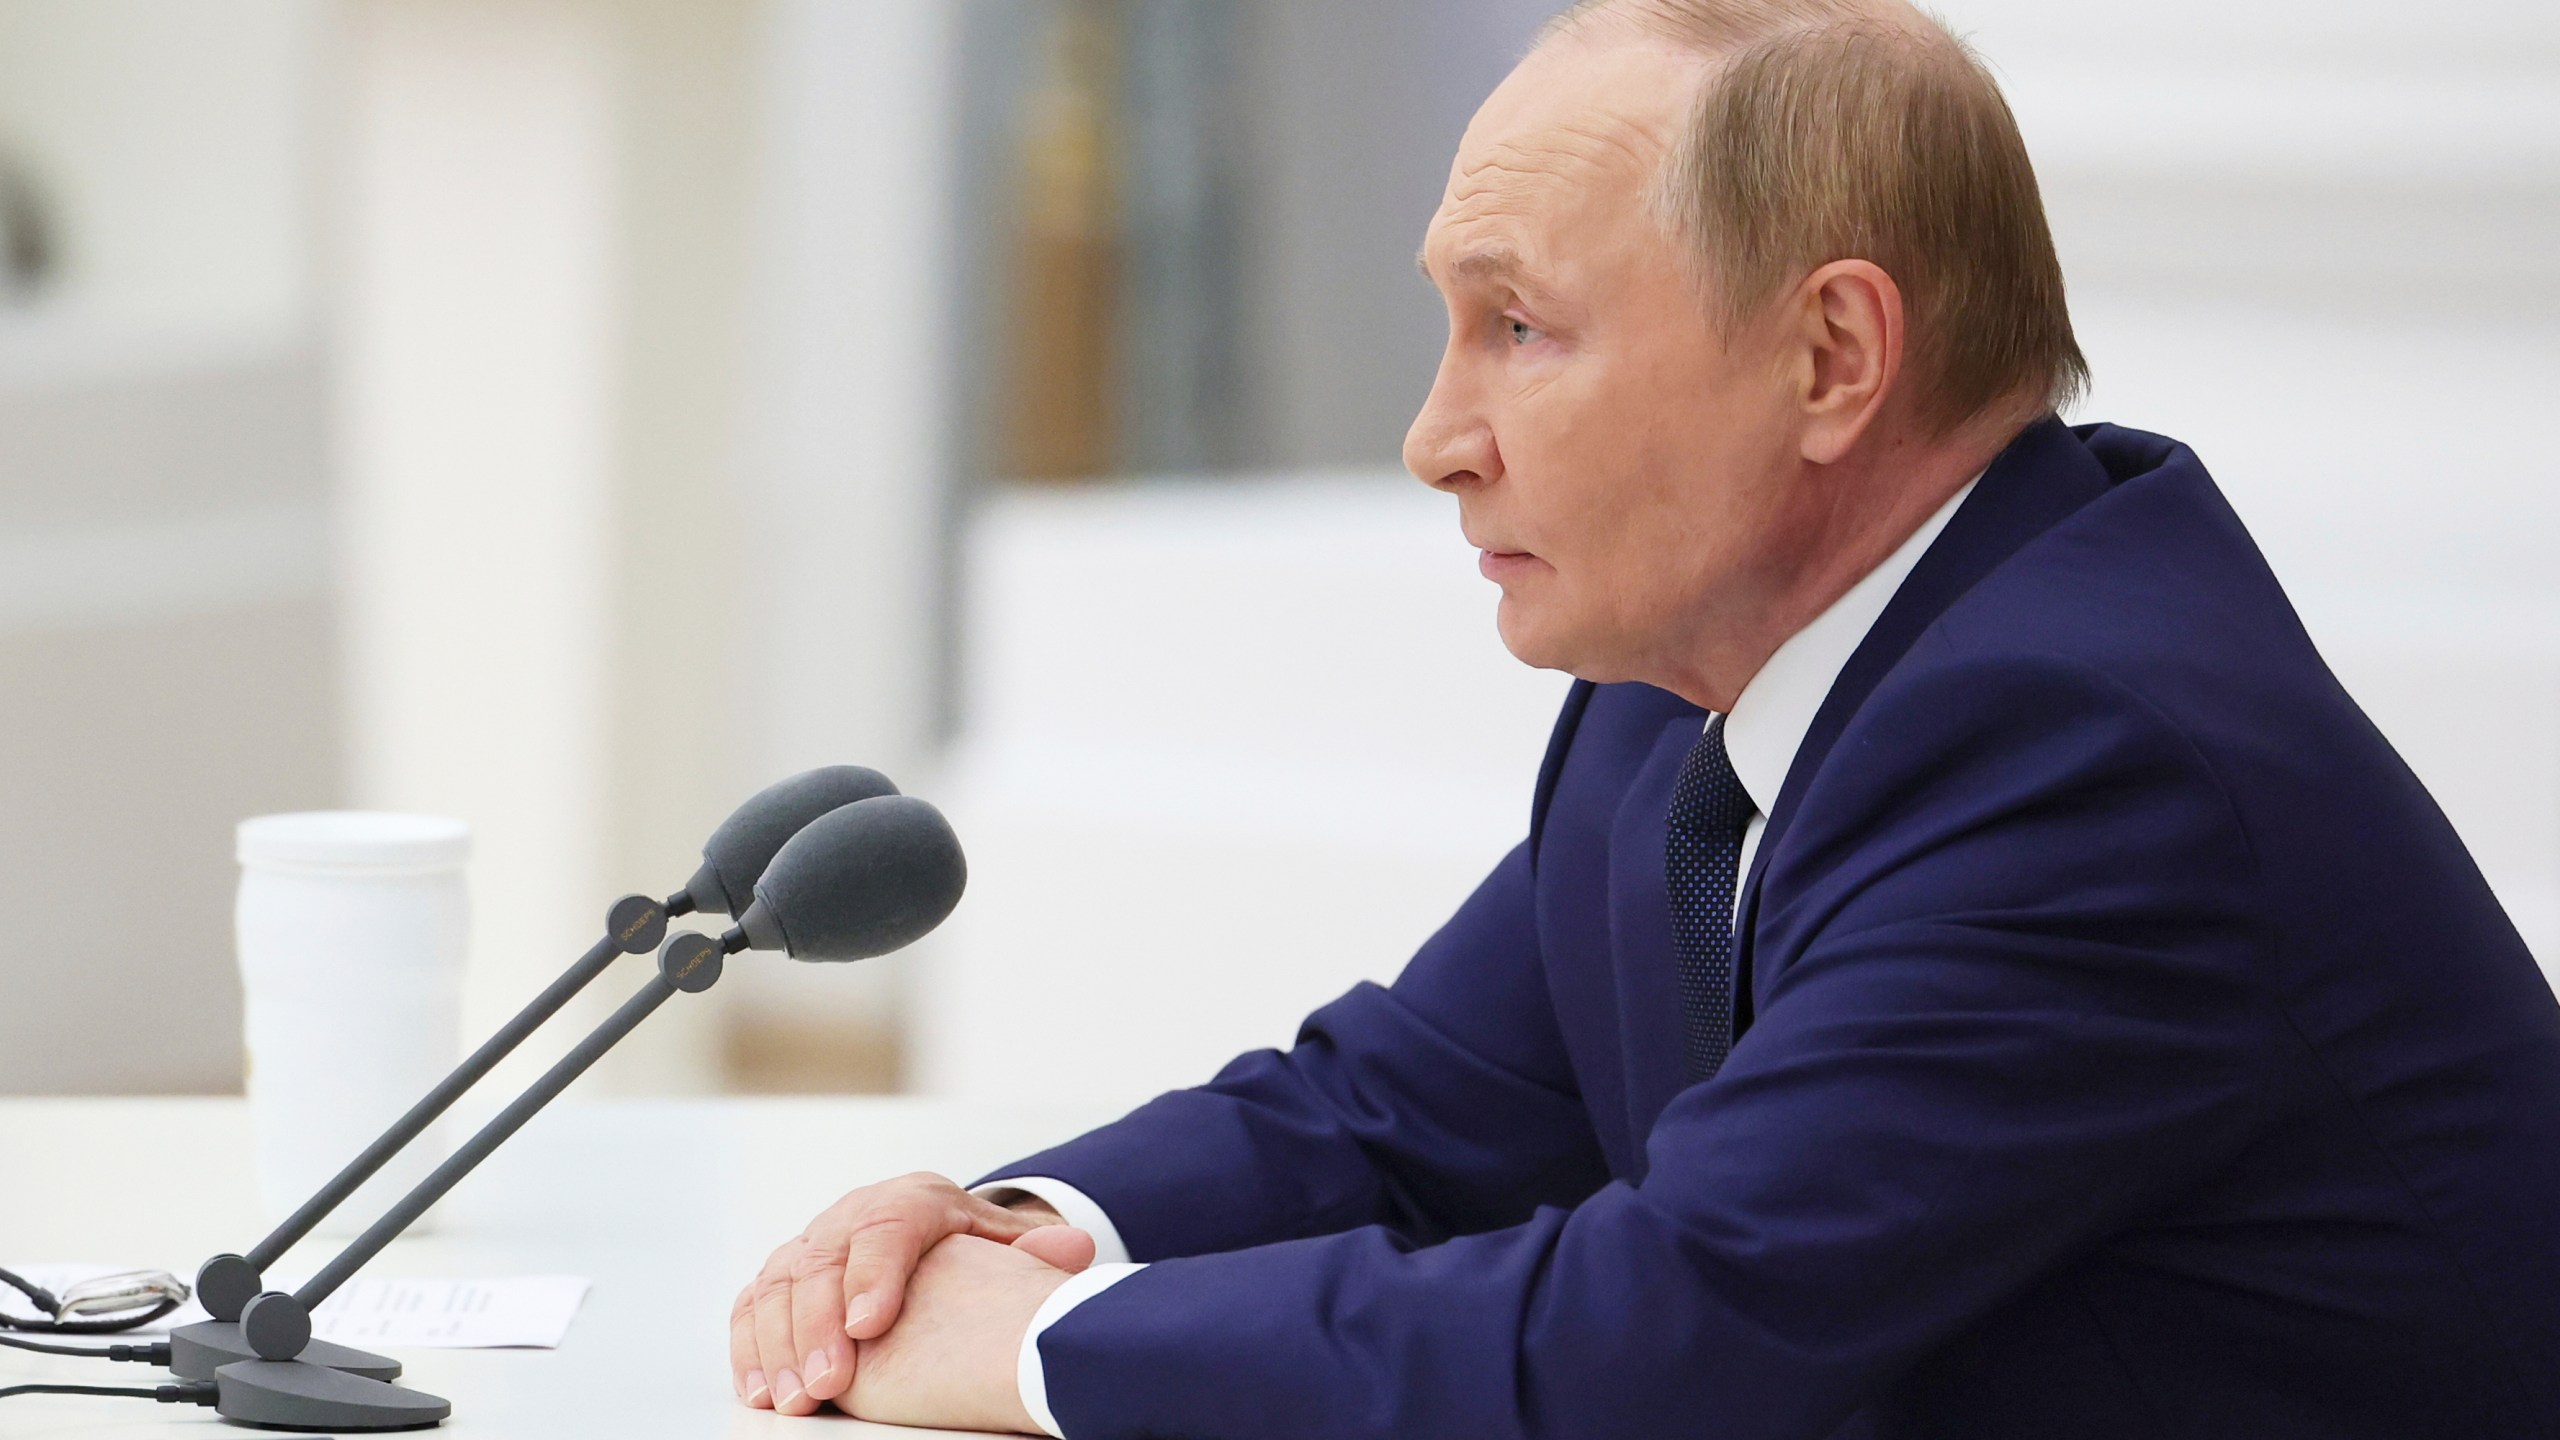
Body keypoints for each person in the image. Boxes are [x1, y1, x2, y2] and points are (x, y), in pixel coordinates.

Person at [728, 1, 2560, 1435]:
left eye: (1520, 328)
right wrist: (1019, 1232)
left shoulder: (2082, 756)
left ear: (1832, 358)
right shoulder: (1699, 682)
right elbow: (1404, 1113)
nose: (1435, 440)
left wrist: (1044, 1346)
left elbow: (1654, 1348)